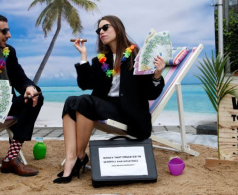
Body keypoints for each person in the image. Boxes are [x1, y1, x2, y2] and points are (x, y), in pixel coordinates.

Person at [53, 15, 165, 184]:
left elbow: (151, 94)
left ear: (118, 29)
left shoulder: (137, 55)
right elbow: (85, 85)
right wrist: (83, 56)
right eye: (99, 30)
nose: (101, 32)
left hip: (129, 115)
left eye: (106, 27)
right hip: (106, 108)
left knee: (83, 101)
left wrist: (157, 75)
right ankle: (72, 159)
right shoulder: (100, 61)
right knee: (71, 101)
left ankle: (80, 156)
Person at [0, 13, 44, 188]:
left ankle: (11, 158)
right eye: (4, 31)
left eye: (8, 30)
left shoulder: (8, 52)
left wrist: (28, 87)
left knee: (35, 96)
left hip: (3, 108)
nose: (9, 35)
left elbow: (21, 79)